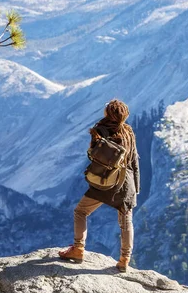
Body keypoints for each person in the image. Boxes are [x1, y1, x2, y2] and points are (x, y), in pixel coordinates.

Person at [59, 99, 140, 272]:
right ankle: (125, 259)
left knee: (81, 211)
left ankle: (78, 249)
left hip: (104, 180)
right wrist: (136, 188)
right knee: (126, 220)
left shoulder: (99, 130)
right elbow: (134, 161)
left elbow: (93, 156)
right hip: (125, 182)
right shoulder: (129, 132)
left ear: (108, 114)